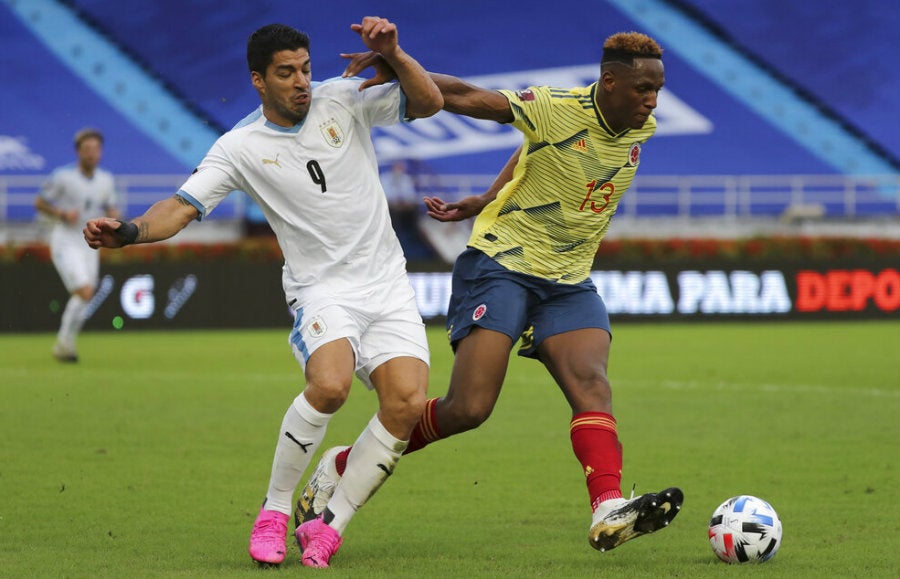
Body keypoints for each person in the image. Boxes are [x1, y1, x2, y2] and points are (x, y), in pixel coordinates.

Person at [296, 31, 683, 553]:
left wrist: (484, 195)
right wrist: (401, 61)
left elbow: (534, 153)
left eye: (658, 90)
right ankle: (343, 463)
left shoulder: (642, 127)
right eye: (643, 89)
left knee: (591, 384)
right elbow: (463, 96)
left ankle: (608, 507)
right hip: (501, 263)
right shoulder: (554, 107)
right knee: (469, 408)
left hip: (568, 279)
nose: (653, 101)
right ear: (608, 81)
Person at [84, 18, 442, 568]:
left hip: (387, 283)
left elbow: (429, 102)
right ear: (258, 81)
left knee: (408, 404)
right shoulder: (240, 146)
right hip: (321, 289)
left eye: (305, 68)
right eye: (285, 73)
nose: (301, 82)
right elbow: (181, 207)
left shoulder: (342, 99)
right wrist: (130, 231)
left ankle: (331, 524)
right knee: (329, 386)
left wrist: (394, 52)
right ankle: (274, 511)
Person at [35, 128, 120, 363]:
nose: (92, 153)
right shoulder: (62, 176)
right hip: (66, 240)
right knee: (84, 291)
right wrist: (60, 213)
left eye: (96, 149)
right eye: (87, 149)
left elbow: (111, 207)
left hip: (90, 243)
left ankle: (66, 346)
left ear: (101, 152)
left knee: (86, 294)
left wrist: (115, 219)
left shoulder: (106, 180)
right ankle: (64, 344)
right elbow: (40, 202)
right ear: (78, 152)